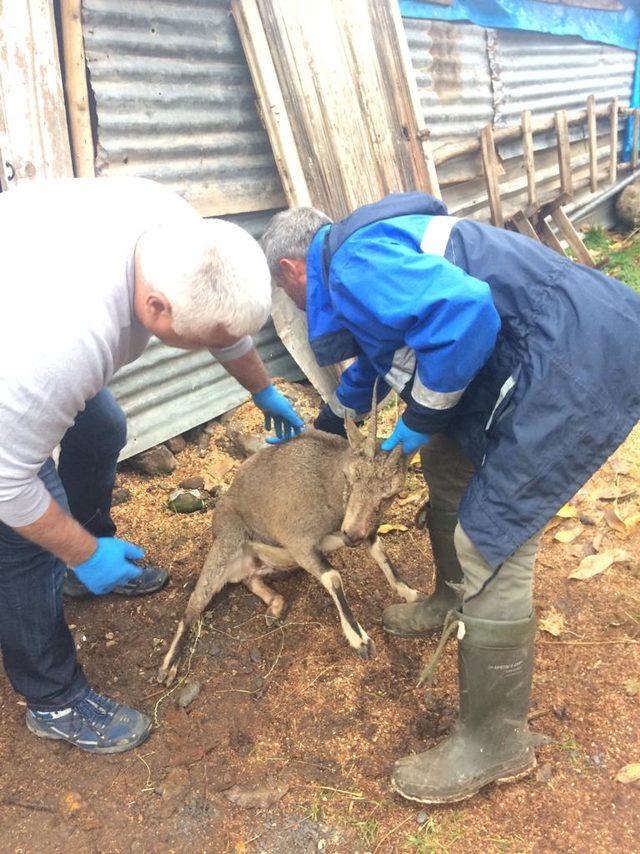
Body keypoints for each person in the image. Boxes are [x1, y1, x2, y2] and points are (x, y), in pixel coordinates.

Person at [261, 192, 640, 803]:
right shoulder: (362, 252)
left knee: (491, 532)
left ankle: (495, 741)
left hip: (572, 359)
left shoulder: (354, 264)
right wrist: (333, 421)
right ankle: (447, 597)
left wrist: (416, 421)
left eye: (288, 296)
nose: (296, 306)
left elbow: (465, 314)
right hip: (541, 345)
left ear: (291, 269)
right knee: (445, 461)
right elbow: (396, 348)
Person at [0, 176, 303, 754]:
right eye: (189, 338)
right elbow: (7, 483)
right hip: (13, 351)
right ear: (155, 308)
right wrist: (79, 552)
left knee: (103, 425)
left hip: (19, 301)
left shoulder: (179, 233)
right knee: (23, 544)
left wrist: (262, 390)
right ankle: (54, 699)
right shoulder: (60, 346)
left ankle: (83, 564)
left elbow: (219, 325)